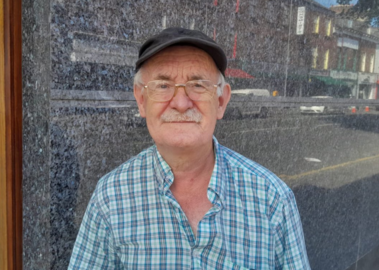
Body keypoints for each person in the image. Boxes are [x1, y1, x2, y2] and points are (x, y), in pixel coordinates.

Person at [68, 27, 310, 270]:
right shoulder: (110, 197)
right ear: (141, 100)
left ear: (221, 101)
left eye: (198, 85)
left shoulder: (272, 199)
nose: (181, 103)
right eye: (162, 86)